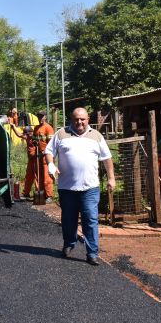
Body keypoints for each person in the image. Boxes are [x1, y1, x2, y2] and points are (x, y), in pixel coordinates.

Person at [45, 107, 115, 266]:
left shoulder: (96, 136)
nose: (79, 122)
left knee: (90, 219)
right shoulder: (62, 134)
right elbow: (49, 151)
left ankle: (92, 253)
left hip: (90, 188)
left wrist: (111, 178)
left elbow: (107, 158)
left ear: (88, 119)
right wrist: (50, 164)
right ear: (72, 119)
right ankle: (69, 244)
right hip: (67, 188)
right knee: (68, 220)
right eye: (76, 119)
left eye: (82, 119)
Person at [9, 123, 37, 200]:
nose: (28, 135)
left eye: (29, 133)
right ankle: (26, 193)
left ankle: (38, 193)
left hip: (36, 160)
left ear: (32, 132)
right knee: (28, 177)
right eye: (26, 134)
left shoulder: (36, 138)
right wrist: (14, 127)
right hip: (30, 160)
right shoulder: (27, 137)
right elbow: (19, 135)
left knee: (37, 177)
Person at [32, 110, 55, 202]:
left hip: (46, 156)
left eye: (42, 116)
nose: (40, 118)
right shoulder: (36, 128)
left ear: (45, 117)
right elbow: (33, 139)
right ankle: (41, 192)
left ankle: (49, 195)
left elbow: (51, 144)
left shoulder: (48, 128)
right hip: (38, 155)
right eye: (39, 116)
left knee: (47, 176)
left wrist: (44, 152)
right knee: (39, 175)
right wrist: (34, 142)